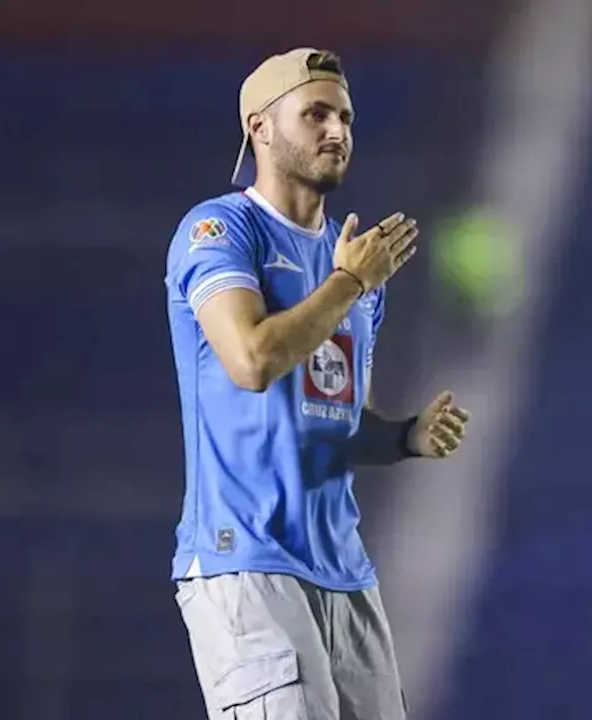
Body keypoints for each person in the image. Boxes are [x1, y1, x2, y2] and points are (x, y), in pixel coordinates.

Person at [162, 47, 471, 720]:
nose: (338, 130)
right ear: (259, 128)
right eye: (316, 114)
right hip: (245, 561)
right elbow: (251, 359)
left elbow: (333, 426)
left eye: (346, 117)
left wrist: (405, 437)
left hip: (344, 574)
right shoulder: (219, 231)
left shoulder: (352, 265)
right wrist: (350, 283)